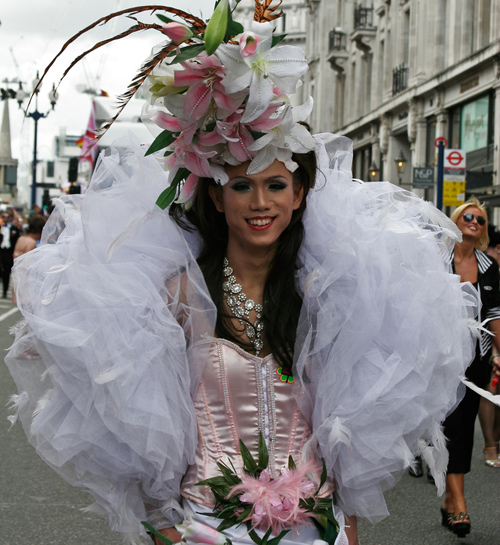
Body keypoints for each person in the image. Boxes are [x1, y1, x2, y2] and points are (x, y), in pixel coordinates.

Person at [5, 3, 478, 545]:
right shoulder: (181, 294)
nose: (261, 202)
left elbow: (345, 424)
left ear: (299, 196)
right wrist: (165, 527)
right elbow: (138, 415)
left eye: (277, 185)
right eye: (241, 185)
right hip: (205, 529)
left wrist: (345, 528)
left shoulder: (323, 293)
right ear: (215, 193)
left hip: (313, 530)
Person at [440, 198, 500, 537]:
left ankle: (451, 501)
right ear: (456, 221)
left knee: (463, 425)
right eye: (468, 216)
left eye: (480, 219)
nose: (474, 221)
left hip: (476, 356)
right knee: (450, 424)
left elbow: (494, 313)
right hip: (442, 356)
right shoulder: (438, 260)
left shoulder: (488, 266)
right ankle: (459, 505)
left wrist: (498, 354)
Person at [478, 225, 500, 467]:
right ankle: (490, 445)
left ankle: (496, 441)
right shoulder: (487, 270)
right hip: (491, 340)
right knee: (490, 388)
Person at [11, 214, 47, 305]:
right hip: (25, 274)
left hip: (17, 271)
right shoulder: (32, 242)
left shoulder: (21, 238)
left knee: (18, 298)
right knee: (27, 301)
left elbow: (15, 254)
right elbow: (29, 261)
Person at [0, 207, 20, 298]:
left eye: (7, 217)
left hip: (8, 252)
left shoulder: (14, 228)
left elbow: (17, 240)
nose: (5, 218)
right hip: (0, 251)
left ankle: (4, 291)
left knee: (7, 272)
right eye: (3, 216)